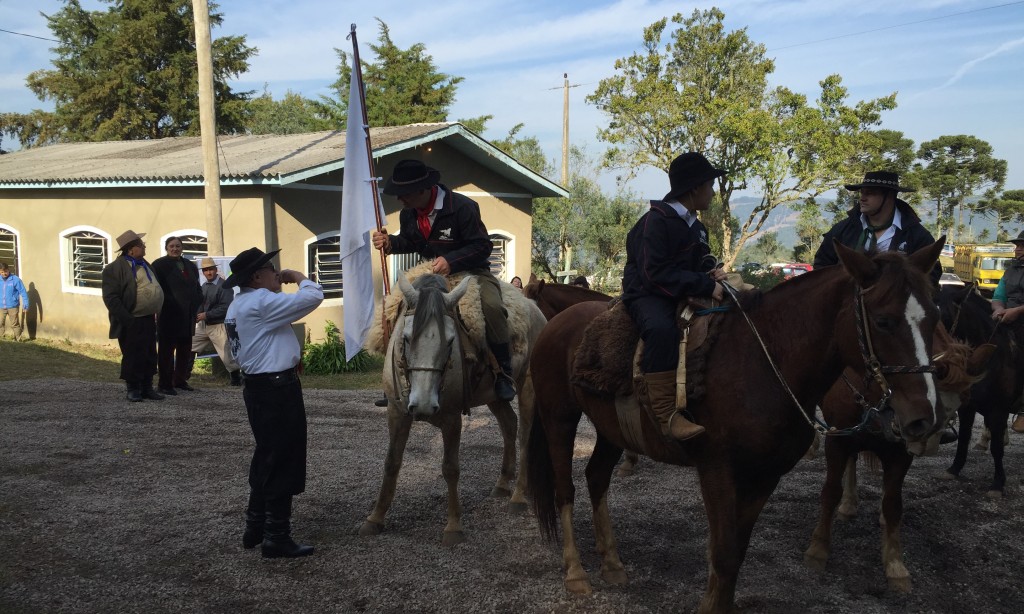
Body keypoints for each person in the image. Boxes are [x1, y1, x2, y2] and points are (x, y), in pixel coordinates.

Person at [371, 159, 517, 401]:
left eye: (403, 193)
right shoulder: (409, 213)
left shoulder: (462, 207)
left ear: (423, 189)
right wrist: (391, 243)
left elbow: (482, 245)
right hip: (430, 273)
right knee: (394, 306)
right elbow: (411, 241)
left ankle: (503, 372)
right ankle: (397, 376)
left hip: (472, 272)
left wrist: (452, 261)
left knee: (492, 307)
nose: (399, 200)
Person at [224, 247, 324, 558]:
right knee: (283, 458)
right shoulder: (261, 301)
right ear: (256, 276)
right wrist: (299, 278)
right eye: (271, 268)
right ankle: (276, 535)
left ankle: (256, 525)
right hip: (276, 389)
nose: (276, 273)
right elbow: (313, 297)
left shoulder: (238, 305)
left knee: (267, 455)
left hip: (258, 388)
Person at [622, 152, 728, 441]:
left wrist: (713, 274)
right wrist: (703, 287)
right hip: (647, 293)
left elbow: (701, 263)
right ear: (695, 188)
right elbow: (653, 274)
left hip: (682, 289)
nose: (712, 191)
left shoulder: (698, 227)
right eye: (710, 184)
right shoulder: (654, 222)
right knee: (661, 329)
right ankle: (667, 415)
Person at [812, 171, 941, 285]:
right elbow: (821, 265)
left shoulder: (917, 236)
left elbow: (931, 276)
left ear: (889, 196)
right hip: (847, 308)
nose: (862, 198)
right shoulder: (843, 230)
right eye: (862, 192)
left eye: (870, 193)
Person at [101, 230, 165, 402]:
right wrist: (127, 319)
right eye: (141, 244)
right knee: (133, 354)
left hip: (148, 318)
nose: (144, 247)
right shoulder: (114, 269)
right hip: (131, 320)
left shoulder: (144, 264)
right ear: (131, 249)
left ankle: (147, 387)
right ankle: (133, 388)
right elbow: (111, 298)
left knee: (150, 353)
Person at [151, 237, 202, 395]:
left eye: (178, 246)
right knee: (166, 351)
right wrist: (167, 304)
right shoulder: (159, 265)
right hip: (169, 314)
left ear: (182, 248)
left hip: (188, 315)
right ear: (167, 248)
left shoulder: (190, 265)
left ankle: (179, 380)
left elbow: (196, 287)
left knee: (185, 350)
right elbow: (156, 288)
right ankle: (165, 384)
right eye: (171, 246)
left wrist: (196, 303)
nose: (175, 249)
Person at [990, 230, 1024, 433]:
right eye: (1017, 245)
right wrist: (998, 310)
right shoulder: (1010, 269)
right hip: (1007, 317)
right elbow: (998, 295)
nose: (1018, 248)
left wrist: (1017, 311)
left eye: (1022, 246)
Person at [189, 257, 241, 386]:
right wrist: (197, 314)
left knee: (227, 355)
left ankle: (236, 379)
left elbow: (226, 307)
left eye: (210, 269)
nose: (209, 272)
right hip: (204, 324)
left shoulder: (224, 286)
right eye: (206, 270)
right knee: (189, 347)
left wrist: (206, 315)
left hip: (219, 325)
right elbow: (200, 303)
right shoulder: (204, 285)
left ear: (216, 269)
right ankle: (182, 376)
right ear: (203, 272)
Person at [0, 262, 29, 341]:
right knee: (0, 323)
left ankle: (18, 339)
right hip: (1, 306)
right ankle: (2, 338)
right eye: (2, 272)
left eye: (5, 271)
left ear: (8, 270)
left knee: (14, 324)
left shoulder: (15, 279)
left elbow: (23, 292)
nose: (4, 274)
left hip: (13, 306)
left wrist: (25, 304)